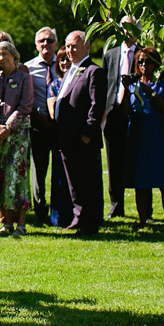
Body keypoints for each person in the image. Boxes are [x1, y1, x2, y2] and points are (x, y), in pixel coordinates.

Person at [54, 31, 106, 236]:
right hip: (67, 139)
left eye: (74, 46)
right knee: (74, 183)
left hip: (83, 140)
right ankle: (79, 217)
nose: (69, 51)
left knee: (88, 182)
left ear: (87, 47)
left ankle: (90, 223)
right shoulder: (71, 71)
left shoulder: (93, 71)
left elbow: (97, 105)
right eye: (67, 46)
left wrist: (87, 134)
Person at [121, 47, 164, 233]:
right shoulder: (132, 86)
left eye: (149, 61)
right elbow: (124, 112)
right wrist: (126, 89)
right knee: (141, 182)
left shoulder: (163, 85)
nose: (144, 65)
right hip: (138, 137)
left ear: (156, 64)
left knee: (163, 182)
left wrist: (149, 91)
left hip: (158, 137)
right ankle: (143, 220)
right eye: (141, 62)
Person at [0, 40, 34, 236]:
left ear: (14, 55)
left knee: (18, 176)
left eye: (5, 53)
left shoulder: (24, 78)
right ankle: (5, 223)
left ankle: (21, 224)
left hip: (18, 135)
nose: (1, 58)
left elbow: (25, 106)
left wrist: (8, 128)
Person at [101, 15, 137, 219]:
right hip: (113, 113)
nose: (127, 32)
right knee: (113, 161)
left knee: (138, 160)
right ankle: (116, 204)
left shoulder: (144, 54)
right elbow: (105, 85)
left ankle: (145, 208)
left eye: (131, 28)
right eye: (123, 28)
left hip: (136, 113)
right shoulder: (111, 54)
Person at [25, 26, 57, 224]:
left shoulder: (64, 64)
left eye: (50, 40)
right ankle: (40, 208)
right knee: (39, 168)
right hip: (38, 124)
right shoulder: (28, 68)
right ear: (36, 44)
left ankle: (60, 207)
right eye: (42, 41)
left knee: (61, 168)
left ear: (56, 43)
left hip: (60, 124)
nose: (46, 44)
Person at [46, 48, 73, 227]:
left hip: (75, 135)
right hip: (59, 135)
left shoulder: (78, 80)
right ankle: (59, 217)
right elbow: (53, 112)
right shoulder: (54, 85)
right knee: (59, 177)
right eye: (61, 60)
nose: (64, 63)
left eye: (67, 60)